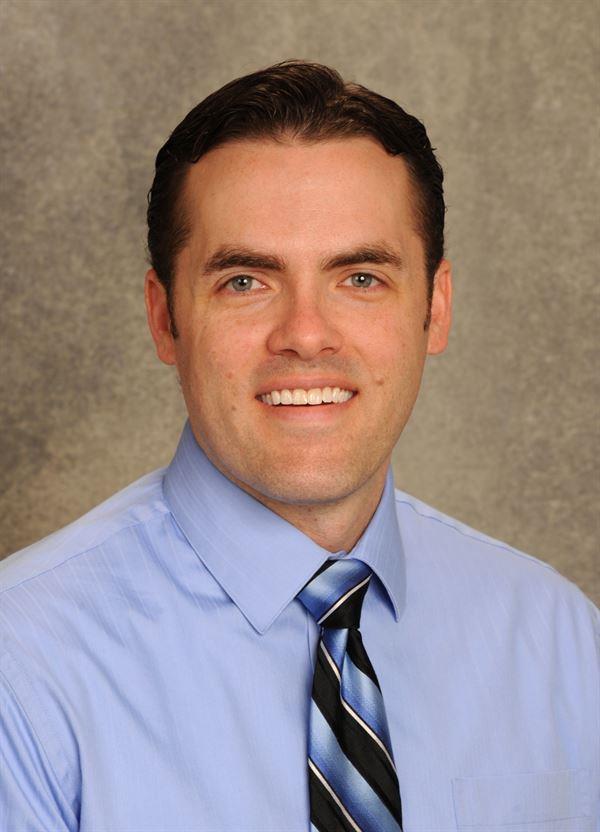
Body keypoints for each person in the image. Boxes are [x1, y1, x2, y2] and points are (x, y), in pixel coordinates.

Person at [0, 60, 598, 832]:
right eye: (246, 281)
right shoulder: (22, 666)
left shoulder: (562, 645)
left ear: (436, 308)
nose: (306, 335)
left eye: (360, 277)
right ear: (164, 319)